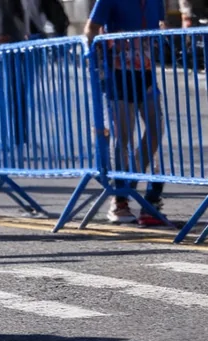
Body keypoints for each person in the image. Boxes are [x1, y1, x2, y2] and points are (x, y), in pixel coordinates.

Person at [86, 0, 166, 226]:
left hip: (146, 72)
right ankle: (119, 200)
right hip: (118, 73)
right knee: (123, 136)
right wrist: (97, 60)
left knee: (156, 128)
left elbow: (160, 23)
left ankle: (129, 181)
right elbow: (91, 28)